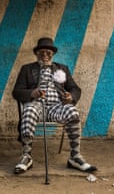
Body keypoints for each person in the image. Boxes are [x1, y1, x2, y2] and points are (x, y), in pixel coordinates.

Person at [12, 37, 97, 174]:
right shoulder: (27, 69)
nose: (45, 55)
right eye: (41, 53)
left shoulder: (62, 69)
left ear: (53, 54)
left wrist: (71, 97)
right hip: (36, 106)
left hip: (57, 106)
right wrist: (32, 93)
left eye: (48, 53)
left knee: (72, 112)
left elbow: (75, 89)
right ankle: (26, 157)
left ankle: (75, 157)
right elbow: (16, 92)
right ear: (36, 53)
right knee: (28, 111)